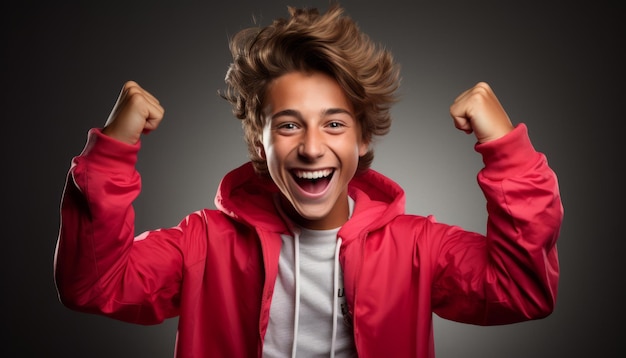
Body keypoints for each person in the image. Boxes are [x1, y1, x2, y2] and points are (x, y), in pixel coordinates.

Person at [53, 3, 563, 358]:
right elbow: (95, 285)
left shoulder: (417, 247)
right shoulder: (202, 244)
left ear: (363, 140)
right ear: (260, 144)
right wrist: (113, 152)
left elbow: (523, 291)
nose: (313, 147)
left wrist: (506, 150)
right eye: (289, 124)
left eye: (335, 124)